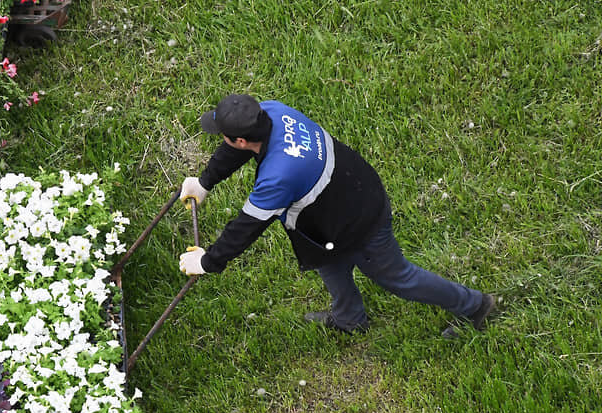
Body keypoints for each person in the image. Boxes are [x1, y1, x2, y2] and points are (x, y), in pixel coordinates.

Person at [178, 93, 495, 334]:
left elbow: (246, 227)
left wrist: (208, 262)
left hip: (360, 220)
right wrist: (205, 182)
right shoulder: (271, 111)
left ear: (243, 137)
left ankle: (475, 306)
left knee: (399, 278)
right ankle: (350, 319)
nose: (222, 139)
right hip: (335, 208)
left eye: (223, 133)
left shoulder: (279, 176)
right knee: (328, 261)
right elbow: (236, 147)